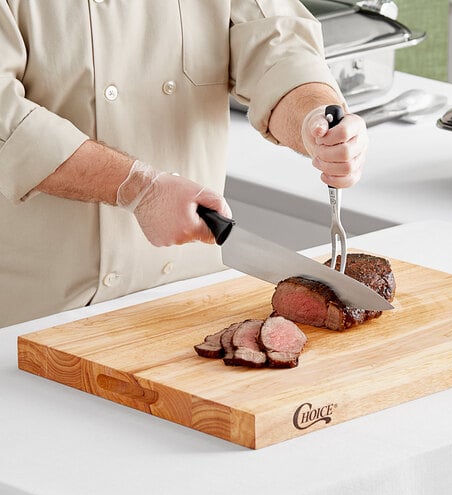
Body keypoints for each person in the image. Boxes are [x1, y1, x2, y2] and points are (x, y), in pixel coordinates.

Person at [0, 1, 368, 327]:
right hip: (42, 313)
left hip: (195, 300)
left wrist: (312, 118)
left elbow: (276, 43)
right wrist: (138, 188)